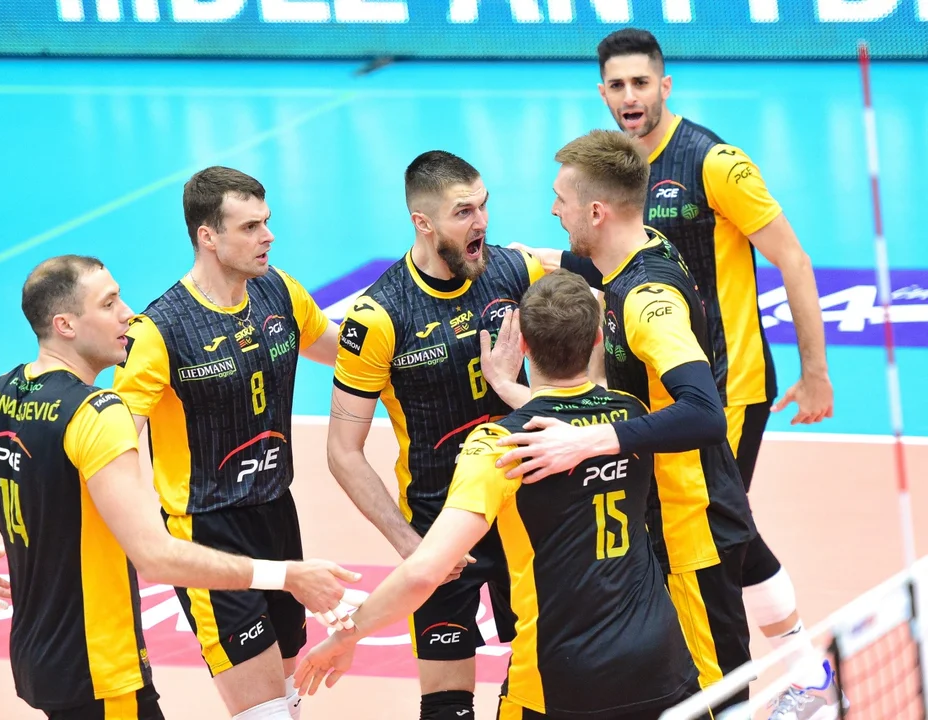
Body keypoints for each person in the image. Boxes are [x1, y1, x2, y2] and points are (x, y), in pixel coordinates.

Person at [518, 28, 842, 717]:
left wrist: (815, 373)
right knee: (730, 527)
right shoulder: (631, 211)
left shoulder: (713, 165)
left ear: (664, 86)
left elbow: (793, 260)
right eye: (617, 85)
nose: (629, 96)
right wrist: (534, 260)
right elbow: (605, 258)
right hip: (672, 405)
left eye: (641, 82)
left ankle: (800, 673)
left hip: (726, 387)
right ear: (602, 92)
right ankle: (805, 667)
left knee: (716, 539)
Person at [0, 255, 360, 720]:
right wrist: (287, 576)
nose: (128, 314)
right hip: (101, 667)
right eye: (109, 303)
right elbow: (155, 557)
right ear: (65, 325)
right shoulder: (96, 415)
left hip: (38, 659)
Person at [296, 270, 707, 720]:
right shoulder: (630, 417)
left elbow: (425, 572)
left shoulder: (500, 446)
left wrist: (348, 634)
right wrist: (512, 390)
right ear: (596, 338)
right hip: (661, 663)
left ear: (524, 345)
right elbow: (578, 416)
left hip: (561, 677)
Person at [482, 130, 756, 712]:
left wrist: (589, 441)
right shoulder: (642, 245)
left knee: (718, 702)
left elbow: (705, 413)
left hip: (692, 530)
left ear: (596, 212)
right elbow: (590, 261)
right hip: (661, 525)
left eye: (561, 199)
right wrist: (532, 256)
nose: (553, 209)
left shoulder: (648, 301)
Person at [112, 167, 347, 720]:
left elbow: (342, 351)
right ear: (208, 237)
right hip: (207, 531)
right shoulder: (159, 330)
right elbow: (116, 441)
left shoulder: (279, 290)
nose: (268, 236)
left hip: (276, 514)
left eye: (266, 222)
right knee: (263, 711)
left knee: (286, 698)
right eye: (250, 227)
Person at [327, 150, 546, 719]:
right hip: (441, 526)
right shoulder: (379, 316)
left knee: (548, 682)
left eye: (484, 206)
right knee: (447, 706)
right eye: (464, 212)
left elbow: (587, 324)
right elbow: (343, 452)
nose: (482, 222)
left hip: (525, 513)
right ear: (422, 222)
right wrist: (411, 545)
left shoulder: (515, 272)